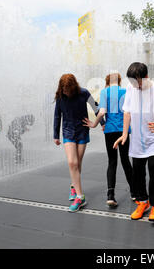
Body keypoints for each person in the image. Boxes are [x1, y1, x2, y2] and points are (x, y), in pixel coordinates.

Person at [113, 62, 154, 223]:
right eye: (131, 82)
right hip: (137, 139)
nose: (135, 85)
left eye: (137, 81)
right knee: (137, 172)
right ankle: (143, 202)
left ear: (145, 77)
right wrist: (124, 134)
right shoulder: (131, 88)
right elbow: (127, 112)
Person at [83, 73, 135, 207]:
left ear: (107, 82)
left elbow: (101, 112)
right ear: (119, 81)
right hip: (123, 131)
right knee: (125, 161)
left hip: (110, 131)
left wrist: (94, 124)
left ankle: (110, 195)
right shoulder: (125, 91)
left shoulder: (105, 92)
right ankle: (134, 192)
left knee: (112, 161)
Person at [53, 74, 102, 212]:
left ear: (74, 87)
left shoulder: (83, 93)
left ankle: (73, 187)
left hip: (82, 131)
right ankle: (80, 197)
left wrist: (99, 123)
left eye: (68, 90)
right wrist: (55, 135)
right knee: (72, 163)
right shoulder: (60, 97)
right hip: (68, 132)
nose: (66, 92)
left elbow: (96, 107)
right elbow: (57, 115)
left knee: (78, 162)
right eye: (64, 90)